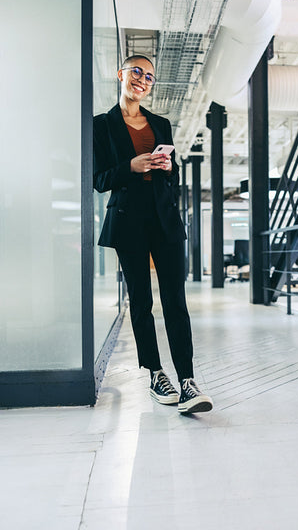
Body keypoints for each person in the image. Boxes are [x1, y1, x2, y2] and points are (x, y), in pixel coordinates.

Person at [93, 55, 213, 414]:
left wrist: (168, 166)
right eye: (136, 73)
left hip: (164, 221)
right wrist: (129, 166)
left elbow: (170, 180)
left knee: (176, 301)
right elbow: (99, 180)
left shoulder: (161, 123)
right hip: (129, 221)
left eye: (149, 76)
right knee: (141, 303)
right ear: (121, 75)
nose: (142, 80)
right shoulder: (102, 125)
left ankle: (188, 381)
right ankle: (156, 373)